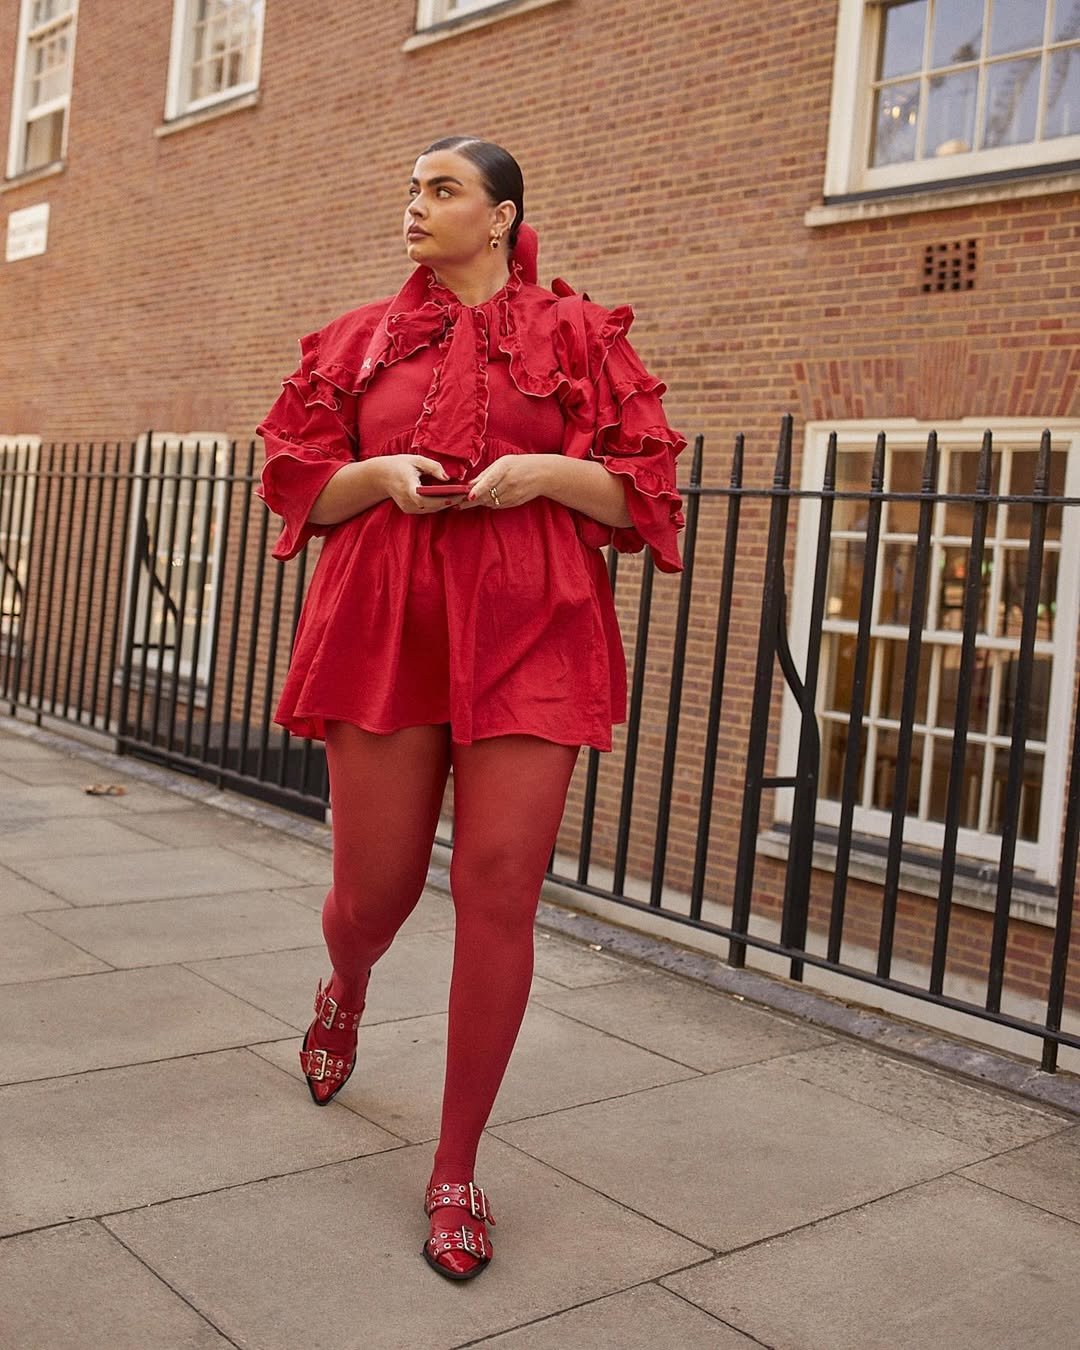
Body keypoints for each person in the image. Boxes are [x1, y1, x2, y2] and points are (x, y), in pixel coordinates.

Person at [256, 135, 685, 1281]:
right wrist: (379, 476)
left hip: (534, 625)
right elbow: (301, 480)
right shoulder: (358, 338)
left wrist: (545, 473)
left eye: (441, 190)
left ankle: (454, 1168)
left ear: (499, 217)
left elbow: (642, 490)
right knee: (375, 891)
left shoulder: (581, 337)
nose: (415, 205)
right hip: (389, 623)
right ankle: (344, 986)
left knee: (499, 886)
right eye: (409, 188)